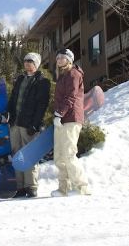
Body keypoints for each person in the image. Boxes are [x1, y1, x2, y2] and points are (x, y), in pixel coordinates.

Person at [7, 52, 50, 198]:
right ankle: (19, 186)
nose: (26, 63)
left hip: (29, 125)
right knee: (17, 155)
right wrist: (8, 114)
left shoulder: (42, 81)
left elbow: (42, 105)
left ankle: (31, 186)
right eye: (25, 60)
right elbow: (13, 99)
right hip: (15, 123)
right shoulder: (20, 79)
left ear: (36, 64)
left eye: (30, 61)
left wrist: (35, 124)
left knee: (29, 155)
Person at [51, 48, 91, 197]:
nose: (59, 60)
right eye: (58, 57)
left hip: (71, 118)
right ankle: (63, 189)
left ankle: (82, 187)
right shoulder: (62, 76)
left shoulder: (73, 74)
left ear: (70, 59)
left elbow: (71, 97)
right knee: (60, 156)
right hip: (62, 119)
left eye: (62, 57)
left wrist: (59, 114)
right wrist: (58, 116)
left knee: (68, 154)